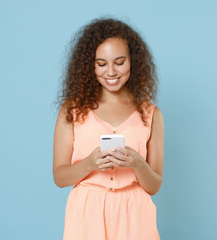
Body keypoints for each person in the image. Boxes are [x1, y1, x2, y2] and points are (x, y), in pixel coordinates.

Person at [53, 17, 164, 240]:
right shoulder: (72, 111)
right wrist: (88, 164)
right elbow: (59, 176)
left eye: (120, 62)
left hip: (135, 214)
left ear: (133, 61)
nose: (111, 72)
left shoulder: (151, 114)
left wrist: (137, 164)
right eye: (101, 64)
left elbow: (154, 185)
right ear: (89, 65)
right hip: (86, 215)